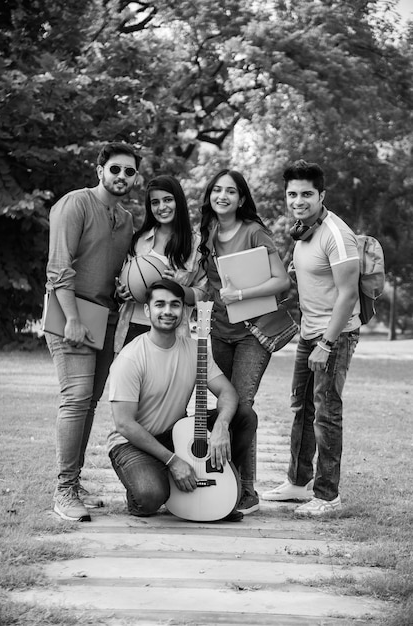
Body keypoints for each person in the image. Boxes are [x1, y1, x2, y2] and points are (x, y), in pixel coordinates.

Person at [107, 278, 257, 522]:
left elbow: (228, 392)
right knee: (150, 496)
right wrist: (173, 460)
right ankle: (158, 478)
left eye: (175, 305)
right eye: (160, 305)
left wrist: (221, 425)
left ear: (184, 311)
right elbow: (124, 424)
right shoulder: (131, 358)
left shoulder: (193, 350)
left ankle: (226, 488)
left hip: (176, 435)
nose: (168, 311)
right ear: (147, 310)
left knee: (243, 416)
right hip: (133, 442)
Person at [45, 141, 140, 522]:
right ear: (100, 169)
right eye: (115, 169)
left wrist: (123, 286)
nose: (121, 176)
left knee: (90, 401)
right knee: (76, 397)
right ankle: (63, 490)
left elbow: (116, 268)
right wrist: (71, 318)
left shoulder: (127, 219)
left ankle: (76, 481)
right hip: (70, 313)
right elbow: (59, 267)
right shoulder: (75, 204)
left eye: (129, 171)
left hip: (106, 317)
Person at [261, 159, 360, 517]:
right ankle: (298, 482)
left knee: (326, 413)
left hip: (334, 336)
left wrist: (326, 344)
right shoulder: (304, 229)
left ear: (322, 195)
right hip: (309, 333)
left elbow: (348, 295)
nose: (298, 200)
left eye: (306, 194)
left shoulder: (336, 234)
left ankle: (327, 496)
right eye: (292, 194)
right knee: (302, 407)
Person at [199, 169, 291, 515]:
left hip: (253, 332)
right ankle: (226, 483)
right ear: (210, 195)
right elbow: (204, 283)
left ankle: (246, 491)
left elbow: (281, 280)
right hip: (219, 332)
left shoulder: (254, 232)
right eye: (217, 190)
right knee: (228, 403)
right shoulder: (206, 234)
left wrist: (242, 293)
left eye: (231, 191)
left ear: (241, 199)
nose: (223, 196)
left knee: (241, 406)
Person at [114, 175, 207, 352]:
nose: (162, 207)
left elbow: (203, 293)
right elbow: (122, 282)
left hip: (172, 331)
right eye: (155, 202)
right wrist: (121, 293)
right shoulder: (138, 240)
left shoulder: (196, 245)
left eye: (168, 200)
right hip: (133, 327)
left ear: (178, 201)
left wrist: (177, 288)